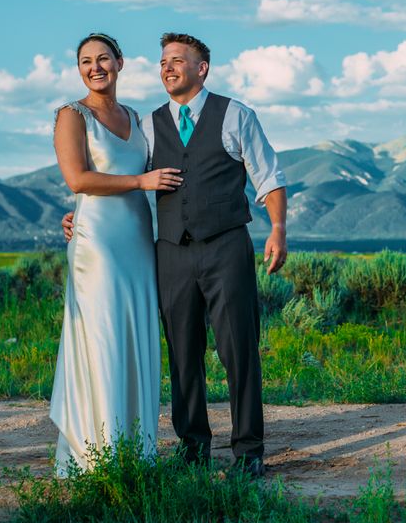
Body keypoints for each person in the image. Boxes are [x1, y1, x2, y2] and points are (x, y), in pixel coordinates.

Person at [63, 32, 288, 479]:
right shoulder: (147, 126)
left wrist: (278, 229)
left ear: (201, 69)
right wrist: (77, 215)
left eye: (178, 61)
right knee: (183, 353)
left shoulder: (236, 115)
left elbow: (269, 176)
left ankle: (248, 450)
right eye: (163, 61)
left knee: (238, 350)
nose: (168, 68)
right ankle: (193, 448)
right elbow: (118, 173)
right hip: (171, 252)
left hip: (226, 246)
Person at [50, 32, 183, 476]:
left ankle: (137, 452)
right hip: (99, 244)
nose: (95, 67)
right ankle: (97, 455)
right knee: (104, 339)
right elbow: (78, 180)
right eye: (86, 61)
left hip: (137, 239)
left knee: (135, 337)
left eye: (103, 58)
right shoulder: (72, 115)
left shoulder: (136, 117)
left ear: (120, 62)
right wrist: (140, 183)